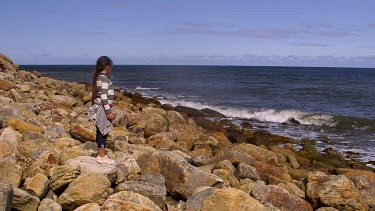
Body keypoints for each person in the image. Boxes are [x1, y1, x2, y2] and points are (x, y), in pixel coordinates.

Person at [91, 56, 115, 164]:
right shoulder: (104, 78)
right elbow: (104, 96)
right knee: (103, 131)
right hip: (104, 108)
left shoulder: (98, 77)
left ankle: (100, 154)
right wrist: (108, 111)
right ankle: (101, 156)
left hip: (100, 107)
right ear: (107, 66)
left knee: (100, 130)